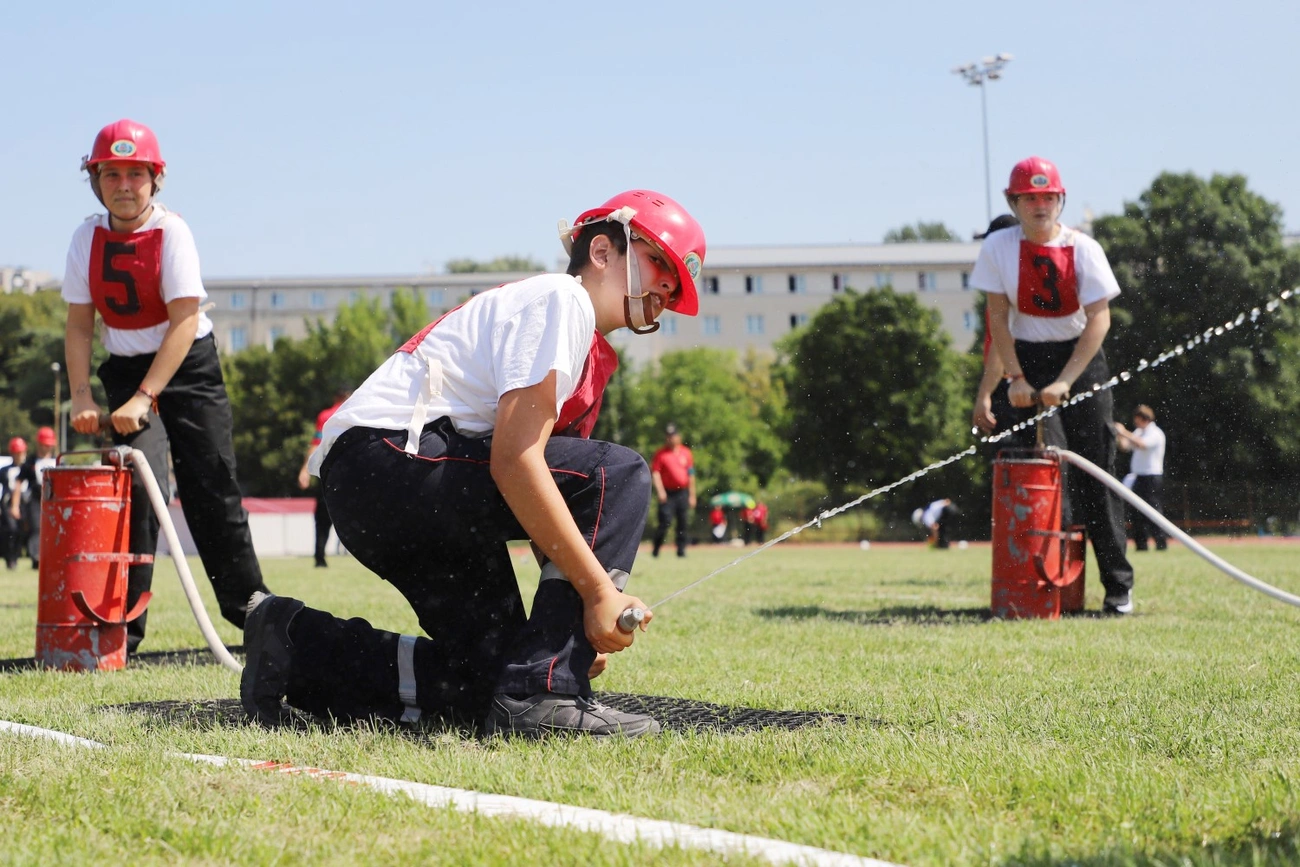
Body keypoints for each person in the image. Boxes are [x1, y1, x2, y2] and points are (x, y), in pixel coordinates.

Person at [240, 189, 706, 738]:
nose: (665, 288)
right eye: (658, 262)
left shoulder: (584, 350)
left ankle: (294, 642)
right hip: (393, 460)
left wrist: (565, 629)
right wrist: (599, 595)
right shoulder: (564, 300)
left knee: (494, 686)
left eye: (674, 286)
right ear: (602, 251)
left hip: (378, 482)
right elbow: (517, 462)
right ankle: (545, 693)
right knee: (619, 472)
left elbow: (553, 502)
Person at [62, 119, 271, 651]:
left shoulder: (172, 232)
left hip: (188, 367)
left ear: (155, 179)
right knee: (137, 488)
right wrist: (82, 395)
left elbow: (184, 321)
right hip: (126, 367)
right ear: (95, 179)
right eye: (112, 174)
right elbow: (80, 324)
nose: (124, 186)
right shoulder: (85, 238)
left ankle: (254, 615)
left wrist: (145, 397)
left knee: (212, 485)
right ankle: (123, 627)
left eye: (136, 174)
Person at [972, 156, 1134, 615]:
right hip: (1026, 355)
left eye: (1047, 197)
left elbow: (1099, 319)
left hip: (1081, 358)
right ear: (1013, 203)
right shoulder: (998, 247)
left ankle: (1118, 588)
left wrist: (1066, 380)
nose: (1039, 206)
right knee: (1034, 468)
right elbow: (998, 317)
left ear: (1060, 200)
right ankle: (1037, 583)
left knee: (1095, 470)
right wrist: (1016, 378)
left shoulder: (1085, 248)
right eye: (1029, 198)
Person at [298, 385, 353, 567]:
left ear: (335, 396)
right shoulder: (356, 412)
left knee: (322, 518)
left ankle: (320, 557)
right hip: (353, 471)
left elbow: (316, 442)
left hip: (328, 471)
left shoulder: (326, 415)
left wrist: (305, 470)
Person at [1115, 404, 1167, 551]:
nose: (1136, 423)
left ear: (1145, 418)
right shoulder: (1138, 432)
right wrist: (1119, 435)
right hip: (1138, 476)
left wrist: (1124, 431)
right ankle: (1141, 545)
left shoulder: (1156, 433)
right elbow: (1125, 447)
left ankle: (1160, 543)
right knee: (1136, 511)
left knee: (1153, 511)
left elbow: (1142, 444)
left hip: (1151, 476)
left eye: (1138, 419)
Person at [10, 427, 57, 570]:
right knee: (36, 528)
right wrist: (15, 505)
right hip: (36, 500)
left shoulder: (58, 460)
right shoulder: (30, 462)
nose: (47, 447)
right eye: (45, 444)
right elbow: (18, 483)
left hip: (55, 500)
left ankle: (53, 556)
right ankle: (36, 557)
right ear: (39, 444)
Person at [650, 423, 696, 557]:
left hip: (682, 492)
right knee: (665, 521)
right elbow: (656, 473)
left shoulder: (686, 453)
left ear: (678, 436)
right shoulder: (661, 454)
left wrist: (692, 495)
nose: (670, 438)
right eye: (668, 436)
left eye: (673, 435)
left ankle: (681, 551)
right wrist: (660, 491)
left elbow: (691, 474)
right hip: (667, 493)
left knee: (683, 522)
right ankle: (656, 549)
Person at [1, 437, 27, 569]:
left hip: (25, 503)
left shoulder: (28, 469)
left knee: (22, 531)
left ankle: (17, 555)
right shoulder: (4, 470)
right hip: (7, 503)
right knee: (11, 530)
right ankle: (10, 559)